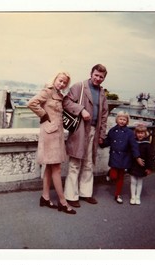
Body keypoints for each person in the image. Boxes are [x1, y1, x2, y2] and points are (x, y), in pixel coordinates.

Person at [27, 72, 76, 215]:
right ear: (55, 79)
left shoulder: (59, 95)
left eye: (64, 83)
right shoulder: (47, 91)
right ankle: (63, 202)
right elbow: (31, 103)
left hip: (56, 134)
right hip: (50, 134)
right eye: (60, 81)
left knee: (49, 166)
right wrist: (44, 115)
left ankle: (45, 197)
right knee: (57, 168)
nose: (62, 84)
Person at [63, 64, 109, 208]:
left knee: (89, 163)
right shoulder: (79, 86)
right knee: (75, 162)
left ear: (104, 78)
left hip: (94, 131)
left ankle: (85, 193)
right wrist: (81, 110)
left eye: (101, 77)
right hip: (80, 130)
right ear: (91, 74)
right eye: (96, 75)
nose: (98, 78)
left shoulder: (102, 93)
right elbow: (66, 102)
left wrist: (101, 134)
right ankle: (71, 196)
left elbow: (104, 116)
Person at [100, 111, 144, 204]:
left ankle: (117, 194)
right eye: (120, 119)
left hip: (124, 158)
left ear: (127, 121)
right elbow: (108, 141)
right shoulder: (112, 130)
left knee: (120, 177)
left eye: (124, 119)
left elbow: (134, 146)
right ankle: (109, 174)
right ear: (117, 119)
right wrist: (101, 142)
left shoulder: (130, 133)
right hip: (114, 157)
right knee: (113, 175)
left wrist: (137, 157)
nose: (122, 121)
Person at [128, 124, 154, 205]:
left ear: (145, 133)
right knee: (132, 181)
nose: (140, 135)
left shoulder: (147, 144)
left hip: (142, 166)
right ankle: (133, 196)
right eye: (138, 133)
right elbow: (130, 153)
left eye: (142, 133)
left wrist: (149, 168)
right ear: (135, 133)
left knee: (139, 181)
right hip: (133, 164)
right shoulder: (133, 142)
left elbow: (150, 157)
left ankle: (137, 196)